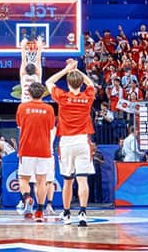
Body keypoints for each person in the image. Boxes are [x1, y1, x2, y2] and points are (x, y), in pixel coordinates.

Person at [45, 58, 96, 227]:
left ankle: (67, 214)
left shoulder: (63, 97)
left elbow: (49, 82)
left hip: (66, 142)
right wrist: (77, 70)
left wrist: (67, 70)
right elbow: (91, 84)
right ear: (81, 83)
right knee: (82, 180)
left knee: (68, 180)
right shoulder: (87, 97)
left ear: (68, 83)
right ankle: (83, 213)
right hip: (82, 141)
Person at [16, 81, 56, 222]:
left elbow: (19, 124)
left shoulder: (22, 107)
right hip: (44, 149)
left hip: (26, 148)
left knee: (23, 179)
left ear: (28, 93)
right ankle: (39, 211)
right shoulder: (49, 109)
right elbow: (51, 127)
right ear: (43, 94)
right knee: (41, 181)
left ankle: (27, 197)